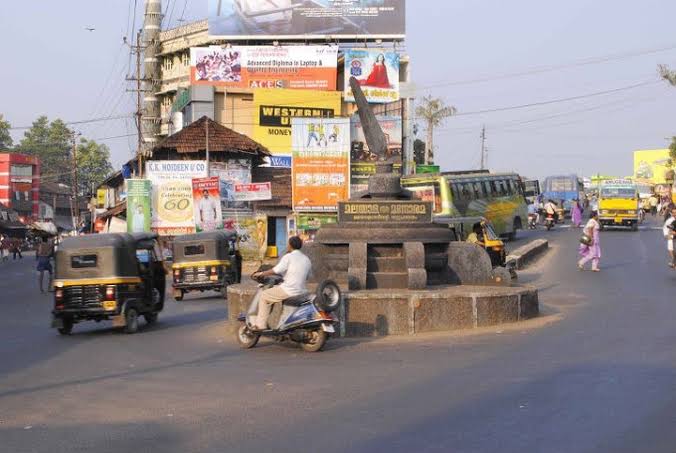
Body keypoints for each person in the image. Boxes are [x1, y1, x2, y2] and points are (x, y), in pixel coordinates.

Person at [251, 236, 312, 330]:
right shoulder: (306, 259)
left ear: (290, 245)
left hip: (289, 290)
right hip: (302, 291)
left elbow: (276, 270)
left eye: (288, 243)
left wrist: (261, 273)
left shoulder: (288, 256)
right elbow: (308, 276)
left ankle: (260, 325)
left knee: (264, 296)